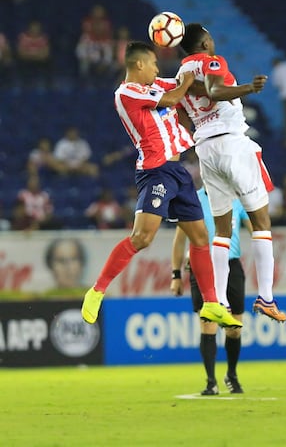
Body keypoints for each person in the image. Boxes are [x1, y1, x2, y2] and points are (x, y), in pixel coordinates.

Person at [81, 41, 241, 330]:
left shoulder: (155, 84)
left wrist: (207, 74)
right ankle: (97, 291)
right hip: (156, 172)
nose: (157, 68)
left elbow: (181, 84)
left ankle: (211, 304)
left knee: (201, 238)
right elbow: (172, 97)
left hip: (178, 173)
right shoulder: (126, 92)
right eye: (154, 63)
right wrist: (187, 82)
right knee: (142, 238)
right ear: (139, 64)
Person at [176, 23, 286, 322]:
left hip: (205, 151)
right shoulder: (214, 61)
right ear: (205, 42)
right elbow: (214, 89)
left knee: (222, 232)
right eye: (210, 39)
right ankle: (266, 297)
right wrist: (248, 88)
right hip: (232, 144)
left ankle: (219, 302)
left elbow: (182, 116)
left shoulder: (179, 78)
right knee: (261, 223)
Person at [171, 186, 252, 395]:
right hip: (202, 266)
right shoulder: (192, 199)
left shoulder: (236, 197)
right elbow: (180, 241)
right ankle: (211, 382)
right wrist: (176, 275)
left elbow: (255, 227)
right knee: (208, 326)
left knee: (234, 328)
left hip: (231, 264)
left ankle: (231, 374)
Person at [16, 20, 51, 86]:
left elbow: (46, 52)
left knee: (49, 62)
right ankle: (25, 84)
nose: (35, 30)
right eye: (33, 29)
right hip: (26, 60)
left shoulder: (43, 38)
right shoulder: (23, 37)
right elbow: (20, 52)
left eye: (37, 29)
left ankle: (48, 84)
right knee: (19, 62)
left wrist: (37, 56)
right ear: (29, 29)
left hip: (40, 60)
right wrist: (32, 56)